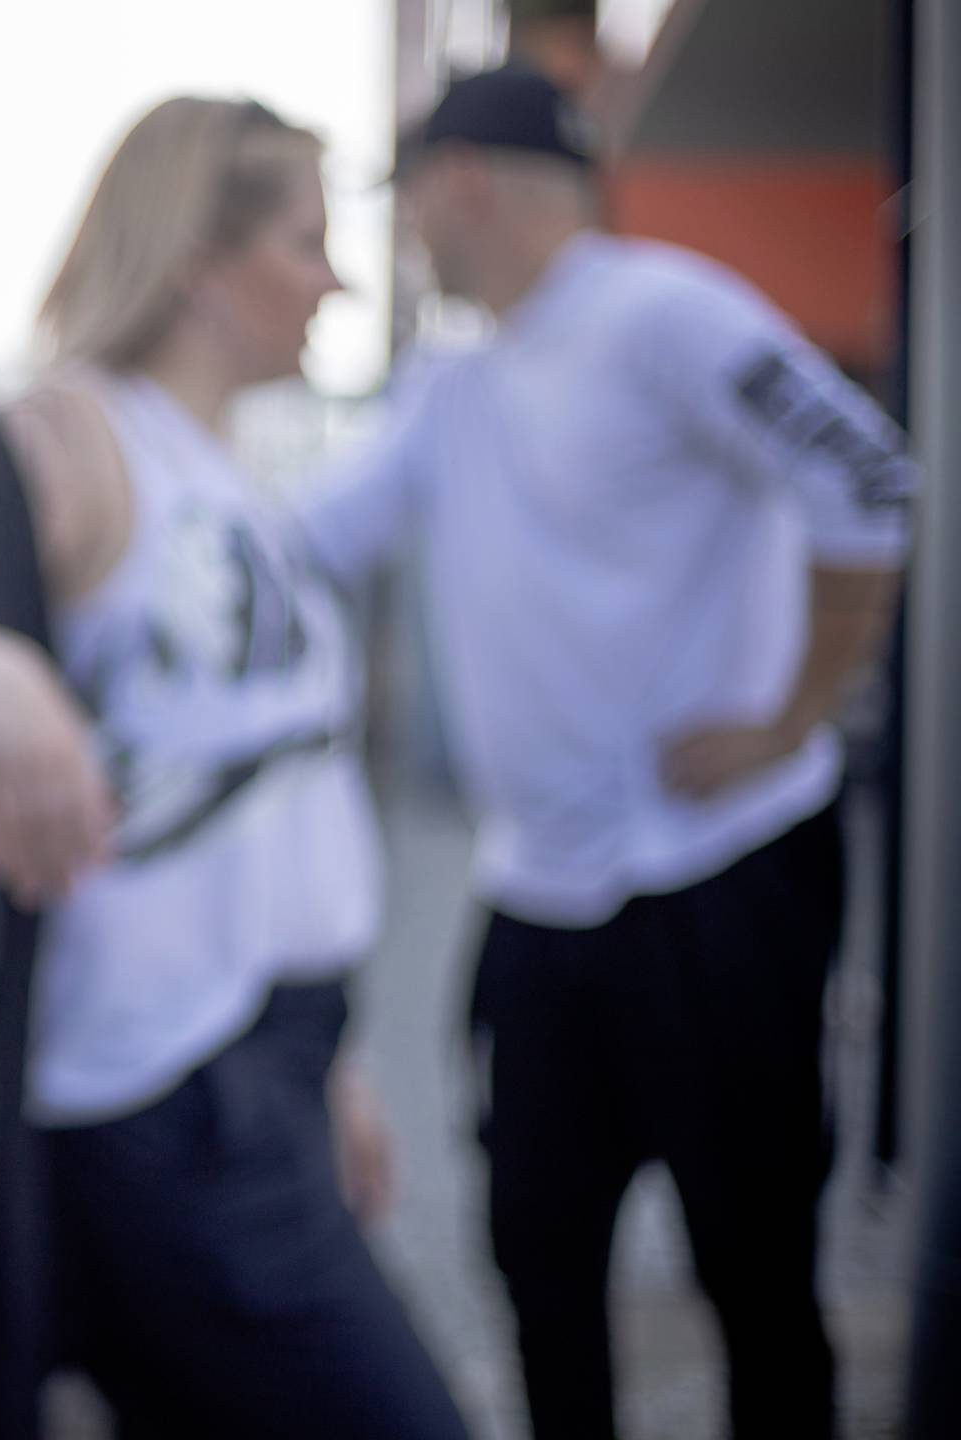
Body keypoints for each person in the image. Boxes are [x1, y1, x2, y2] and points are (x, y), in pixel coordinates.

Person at [0, 96, 469, 1439]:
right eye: (306, 242)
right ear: (198, 259)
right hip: (167, 1086)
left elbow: (274, 792)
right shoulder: (73, 432)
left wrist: (332, 1065)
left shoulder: (231, 472)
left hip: (266, 1067)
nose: (337, 283)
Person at [306, 64, 918, 1440]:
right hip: (540, 896)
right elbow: (303, 543)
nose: (405, 234)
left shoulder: (664, 314)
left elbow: (872, 475)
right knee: (537, 1260)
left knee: (755, 1269)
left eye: (409, 202)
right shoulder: (454, 383)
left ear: (461, 183)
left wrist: (792, 717)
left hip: (721, 878)